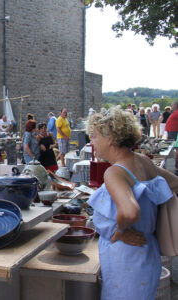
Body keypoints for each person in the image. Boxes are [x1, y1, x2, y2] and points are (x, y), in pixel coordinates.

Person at [86, 108, 178, 299]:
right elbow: (174, 183)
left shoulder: (115, 172)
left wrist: (119, 232)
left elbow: (129, 212)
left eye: (94, 136)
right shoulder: (143, 161)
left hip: (126, 259)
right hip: (148, 253)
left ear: (110, 138)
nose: (91, 142)